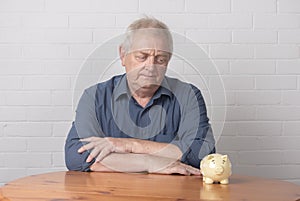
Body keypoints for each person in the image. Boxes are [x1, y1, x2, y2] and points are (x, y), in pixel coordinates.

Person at [65, 17, 215, 175]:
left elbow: (201, 155)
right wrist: (149, 162)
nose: (151, 67)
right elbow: (77, 156)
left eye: (160, 59)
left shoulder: (188, 95)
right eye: (142, 57)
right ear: (123, 55)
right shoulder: (95, 97)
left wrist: (131, 146)